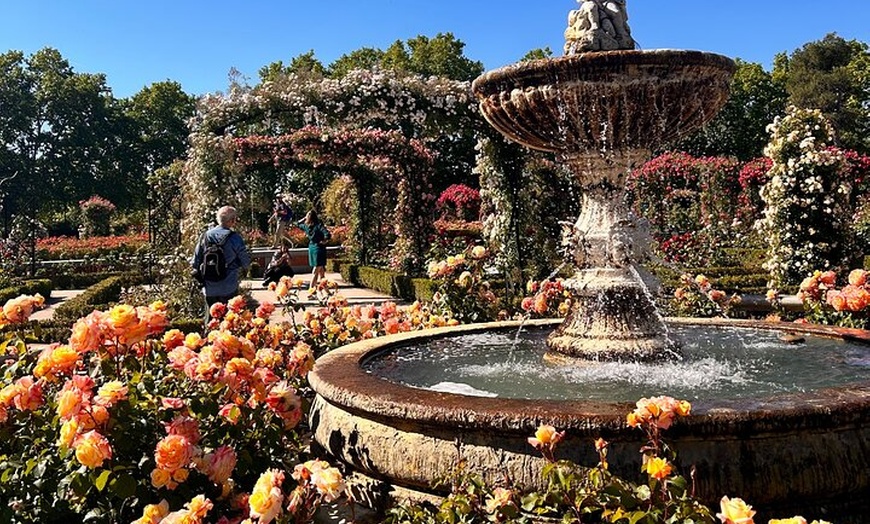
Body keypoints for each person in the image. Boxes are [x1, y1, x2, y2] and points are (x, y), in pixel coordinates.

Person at [191, 205, 251, 313]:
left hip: (209, 288)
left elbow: (195, 262)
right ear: (232, 220)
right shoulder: (235, 238)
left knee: (211, 321)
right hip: (229, 286)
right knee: (229, 322)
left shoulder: (205, 236)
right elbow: (245, 262)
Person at [296, 209, 331, 297]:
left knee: (321, 271)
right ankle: (311, 290)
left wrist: (304, 218)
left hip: (311, 247)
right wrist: (324, 241)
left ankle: (326, 290)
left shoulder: (306, 226)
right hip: (319, 248)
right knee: (316, 270)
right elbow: (327, 234)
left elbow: (297, 223)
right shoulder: (318, 226)